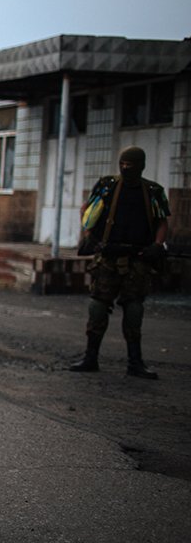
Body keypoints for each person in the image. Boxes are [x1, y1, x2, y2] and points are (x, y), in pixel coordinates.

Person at [69, 146, 170, 379]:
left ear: (141, 166)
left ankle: (135, 362)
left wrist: (157, 245)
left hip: (137, 259)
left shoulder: (153, 191)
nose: (125, 168)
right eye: (122, 164)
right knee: (97, 307)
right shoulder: (107, 186)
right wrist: (90, 236)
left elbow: (162, 221)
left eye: (130, 165)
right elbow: (87, 211)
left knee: (134, 309)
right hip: (108, 258)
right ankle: (90, 357)